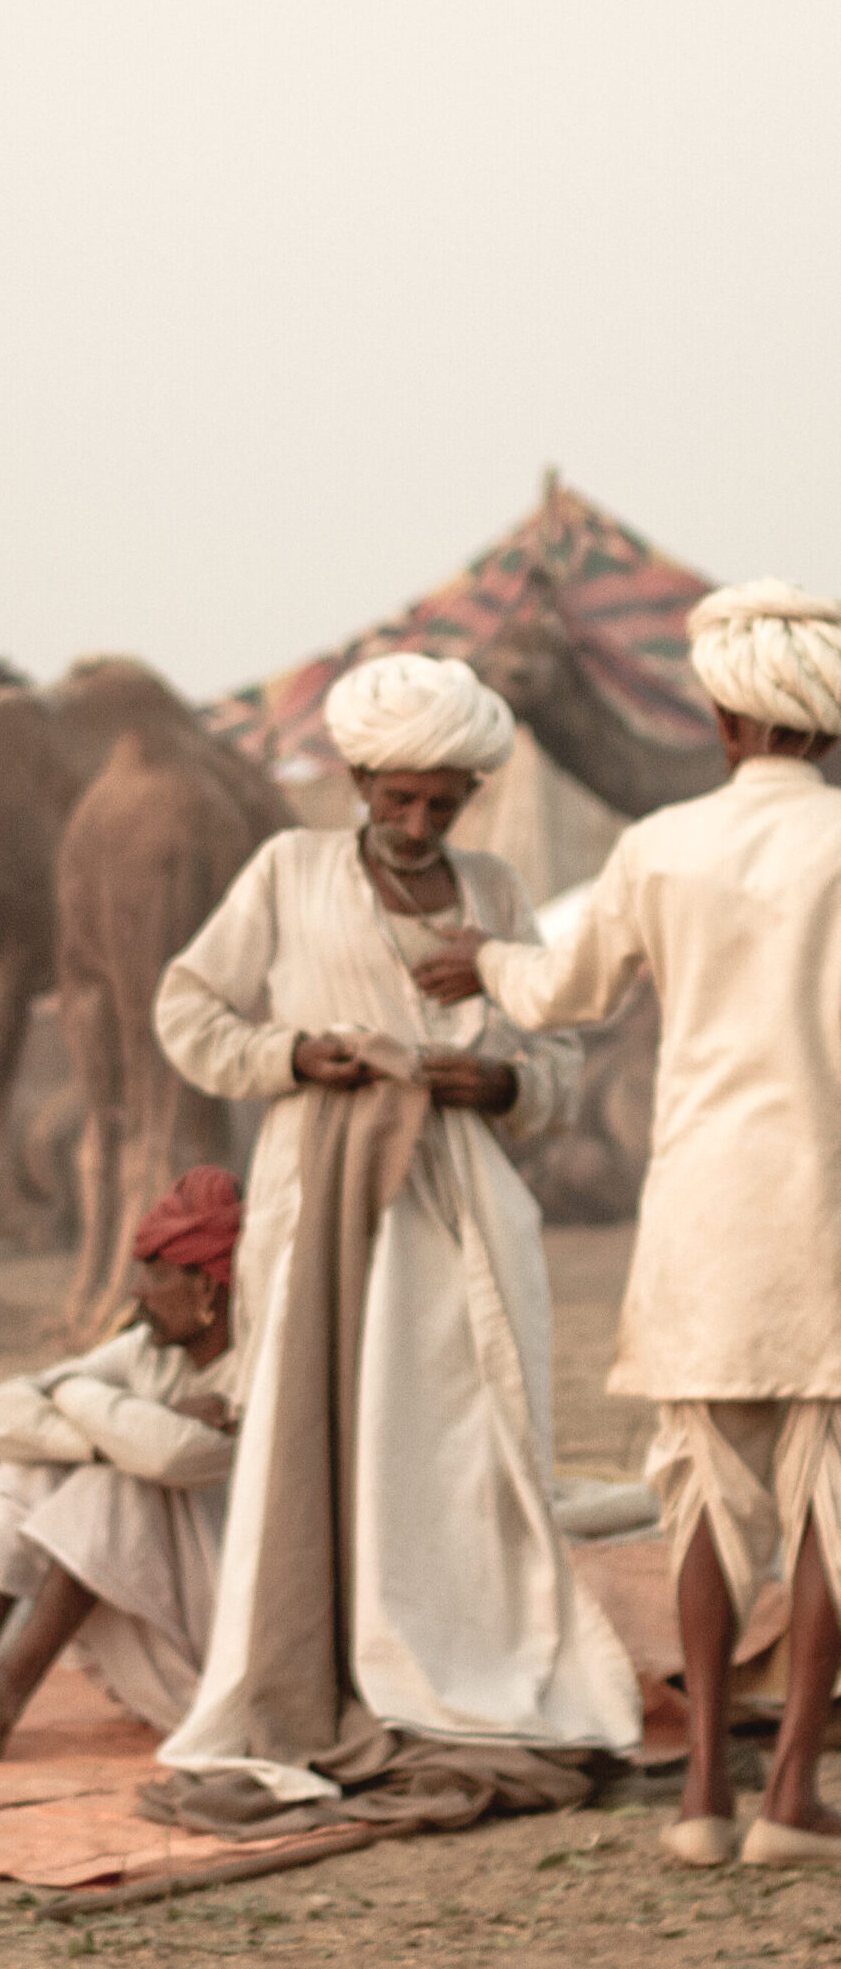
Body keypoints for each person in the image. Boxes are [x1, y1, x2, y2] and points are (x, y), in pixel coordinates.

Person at [147, 651, 640, 1822]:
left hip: (458, 1199)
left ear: (467, 794)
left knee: (459, 1450)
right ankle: (330, 1667)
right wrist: (288, 1058)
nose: (419, 823)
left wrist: (503, 1083)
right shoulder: (287, 870)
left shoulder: (498, 891)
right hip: (323, 1191)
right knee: (326, 1434)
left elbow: (558, 1053)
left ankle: (456, 1679)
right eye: (398, 798)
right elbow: (187, 1005)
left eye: (443, 802)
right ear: (359, 779)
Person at [426, 581, 841, 1867]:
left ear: (720, 722)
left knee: (703, 1500)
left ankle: (702, 1797)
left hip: (700, 1209)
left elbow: (557, 986)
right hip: (825, 1204)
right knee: (830, 1498)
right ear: (821, 728)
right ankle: (793, 1802)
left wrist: (476, 963)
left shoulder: (657, 846)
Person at [0, 1168, 243, 1765]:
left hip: (225, 1637)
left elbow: (169, 1453)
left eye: (154, 1274)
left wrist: (79, 1401)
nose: (136, 1292)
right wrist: (113, 1424)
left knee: (116, 1481)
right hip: (157, 1610)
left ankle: (4, 1697)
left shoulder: (252, 1379)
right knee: (28, 1468)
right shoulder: (148, 1354)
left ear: (206, 1288)